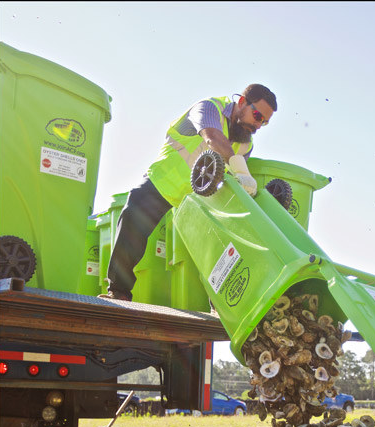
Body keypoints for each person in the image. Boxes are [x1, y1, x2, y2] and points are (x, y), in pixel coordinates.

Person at [100, 84, 277, 301]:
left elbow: (230, 179)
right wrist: (240, 167)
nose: (258, 125)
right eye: (257, 115)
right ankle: (118, 293)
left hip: (198, 201)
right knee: (133, 216)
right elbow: (212, 136)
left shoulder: (245, 146)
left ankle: (219, 305)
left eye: (264, 122)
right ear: (241, 103)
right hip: (165, 181)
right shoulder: (209, 108)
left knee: (223, 243)